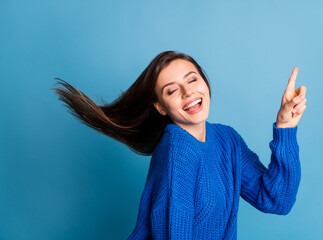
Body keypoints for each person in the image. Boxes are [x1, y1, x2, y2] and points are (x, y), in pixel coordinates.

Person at [51, 50, 307, 239]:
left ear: (205, 83)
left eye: (192, 79)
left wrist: (286, 127)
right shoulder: (177, 148)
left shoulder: (227, 140)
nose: (188, 92)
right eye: (172, 91)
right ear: (160, 107)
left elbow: (277, 200)